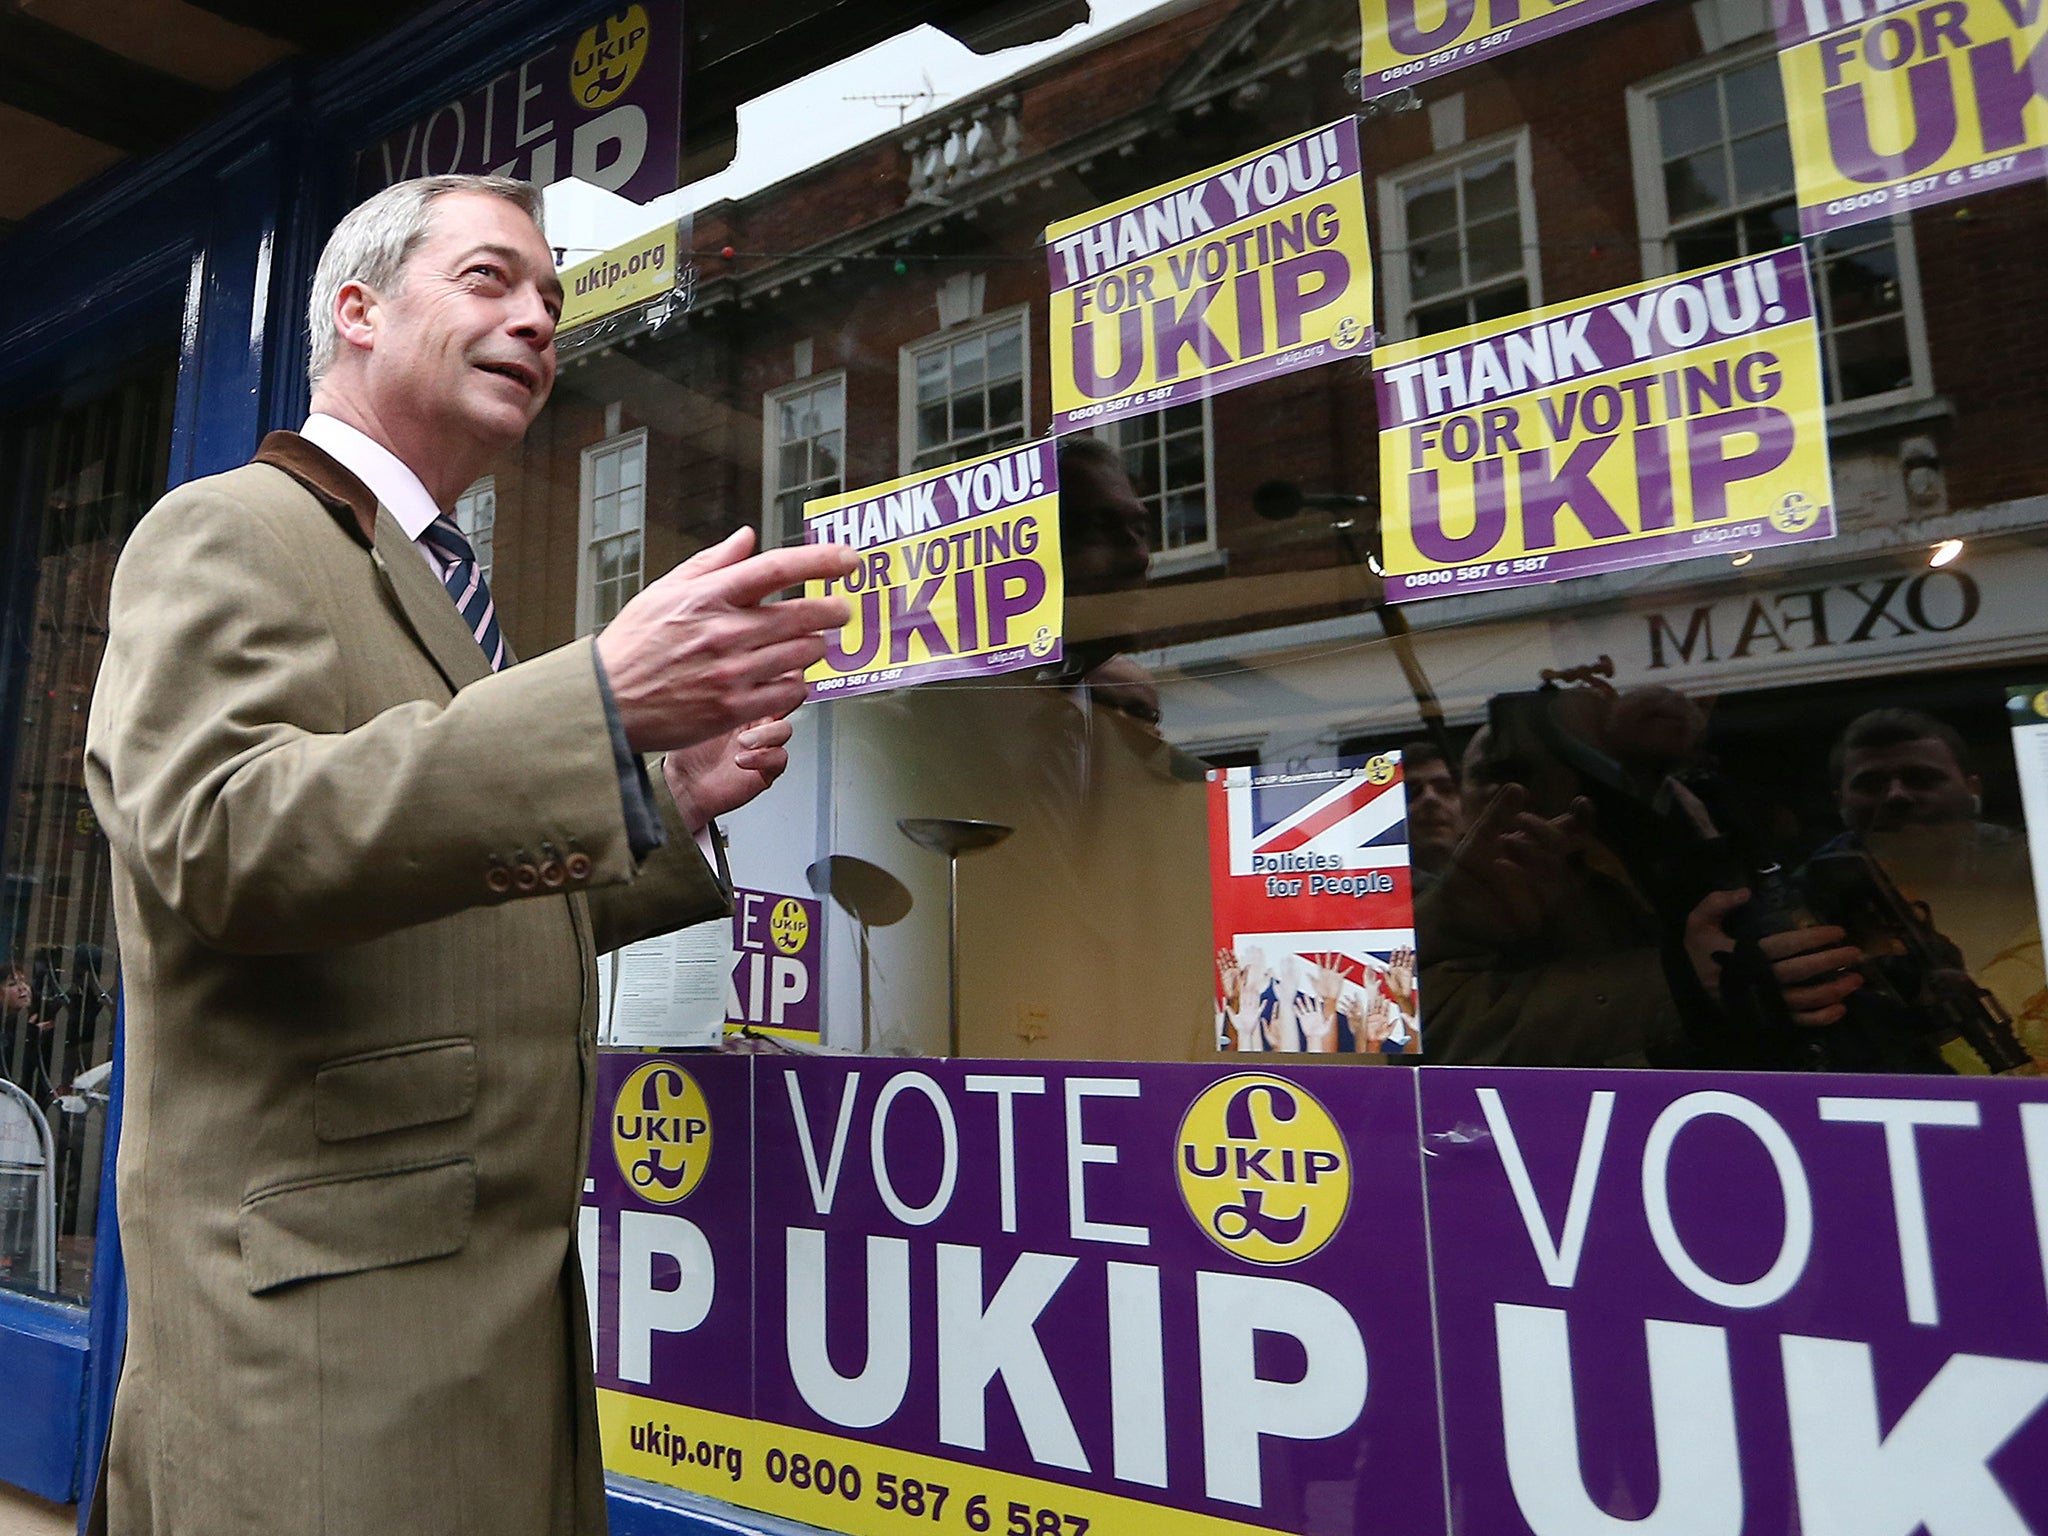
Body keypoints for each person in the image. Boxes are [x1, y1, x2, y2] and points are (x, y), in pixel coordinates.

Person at [82, 175, 855, 1536]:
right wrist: (594, 710)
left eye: (554, 297)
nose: (540, 321)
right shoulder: (226, 528)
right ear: (360, 311)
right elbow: (223, 845)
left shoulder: (435, 575)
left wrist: (653, 795)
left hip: (484, 1326)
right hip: (324, 1364)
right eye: (493, 279)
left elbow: (434, 896)